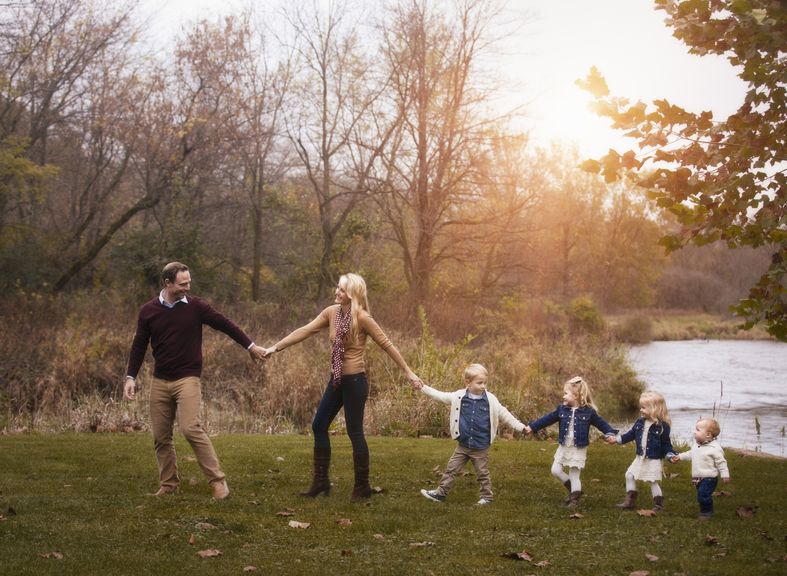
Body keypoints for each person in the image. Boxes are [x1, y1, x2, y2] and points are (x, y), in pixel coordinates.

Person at [261, 273, 421, 501]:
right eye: (337, 288)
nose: (337, 292)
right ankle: (321, 482)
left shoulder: (363, 318)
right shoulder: (331, 312)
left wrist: (408, 372)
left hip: (355, 382)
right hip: (336, 380)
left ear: (353, 295)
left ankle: (362, 487)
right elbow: (304, 330)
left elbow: (387, 344)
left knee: (355, 432)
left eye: (342, 290)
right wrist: (274, 348)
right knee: (319, 425)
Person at [123, 261, 266, 500]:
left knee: (190, 427)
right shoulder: (148, 311)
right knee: (160, 437)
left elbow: (225, 324)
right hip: (160, 380)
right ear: (168, 283)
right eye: (183, 283)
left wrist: (250, 346)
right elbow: (139, 345)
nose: (188, 287)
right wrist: (130, 376)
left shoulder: (196, 307)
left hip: (187, 378)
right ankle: (169, 485)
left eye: (189, 282)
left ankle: (219, 483)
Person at [416, 363, 526, 506]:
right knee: (451, 469)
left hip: (481, 446)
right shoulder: (459, 397)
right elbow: (440, 396)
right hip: (463, 444)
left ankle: (487, 497)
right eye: (479, 383)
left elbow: (505, 414)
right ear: (468, 382)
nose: (483, 386)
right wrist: (423, 388)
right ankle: (440, 494)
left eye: (485, 383)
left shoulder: (491, 400)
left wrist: (521, 427)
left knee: (482, 473)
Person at [524, 376, 617, 508]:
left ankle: (574, 500)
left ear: (576, 395)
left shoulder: (589, 412)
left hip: (578, 448)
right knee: (555, 470)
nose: (563, 396)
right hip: (564, 446)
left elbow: (602, 424)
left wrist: (610, 432)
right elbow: (546, 419)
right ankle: (575, 491)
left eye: (566, 393)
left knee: (574, 475)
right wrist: (532, 427)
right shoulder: (561, 409)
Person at [614, 390, 677, 511]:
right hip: (640, 457)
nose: (641, 410)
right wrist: (618, 440)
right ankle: (630, 500)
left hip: (653, 459)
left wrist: (670, 454)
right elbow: (630, 434)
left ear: (655, 409)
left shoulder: (663, 427)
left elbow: (666, 444)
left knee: (652, 481)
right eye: (640, 407)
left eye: (644, 408)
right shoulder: (640, 422)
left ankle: (658, 504)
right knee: (629, 475)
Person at [670, 418, 730, 519]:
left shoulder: (715, 449)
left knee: (703, 495)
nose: (694, 432)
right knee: (701, 495)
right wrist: (679, 456)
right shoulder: (697, 445)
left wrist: (725, 474)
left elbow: (721, 462)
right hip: (697, 477)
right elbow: (691, 454)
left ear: (708, 435)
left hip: (709, 477)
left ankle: (707, 512)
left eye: (698, 430)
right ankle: (705, 508)